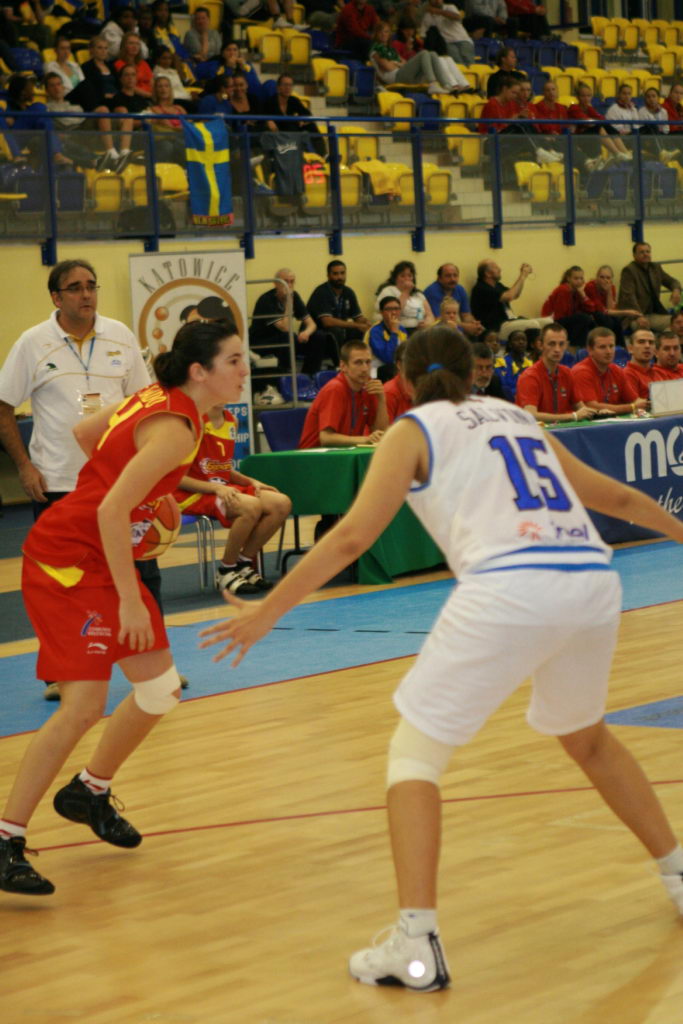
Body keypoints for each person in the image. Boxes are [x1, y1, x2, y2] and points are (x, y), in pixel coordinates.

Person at [201, 324, 683, 991]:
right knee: (588, 739)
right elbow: (619, 498)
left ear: (402, 379)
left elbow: (350, 538)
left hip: (511, 585)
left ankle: (415, 942)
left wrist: (267, 610)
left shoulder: (412, 429)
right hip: (591, 582)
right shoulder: (515, 418)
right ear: (474, 371)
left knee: (414, 757)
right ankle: (678, 873)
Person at [0, 319, 247, 897]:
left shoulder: (159, 400)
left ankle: (88, 790)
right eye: (234, 361)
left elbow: (88, 433)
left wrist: (144, 491)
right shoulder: (177, 429)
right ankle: (6, 837)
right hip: (68, 560)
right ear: (200, 371)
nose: (244, 371)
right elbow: (111, 510)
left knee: (159, 690)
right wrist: (132, 599)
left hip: (99, 554)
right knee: (82, 707)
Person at [0, 259, 155, 700]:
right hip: (58, 481)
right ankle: (59, 672)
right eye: (74, 287)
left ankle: (150, 666)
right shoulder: (33, 342)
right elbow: (3, 406)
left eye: (91, 285)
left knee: (140, 573)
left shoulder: (120, 335)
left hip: (117, 481)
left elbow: (143, 404)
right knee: (61, 583)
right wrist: (25, 466)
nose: (86, 294)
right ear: (56, 297)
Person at [174, 402, 290, 594]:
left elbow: (222, 468)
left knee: (281, 503)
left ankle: (243, 563)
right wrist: (216, 488)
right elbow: (176, 477)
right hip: (191, 493)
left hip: (219, 488)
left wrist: (252, 481)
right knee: (250, 506)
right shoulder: (192, 422)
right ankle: (226, 569)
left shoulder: (231, 420)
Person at [298, 340, 389, 448]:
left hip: (345, 451)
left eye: (368, 362)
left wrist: (381, 400)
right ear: (343, 366)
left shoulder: (368, 387)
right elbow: (326, 438)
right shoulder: (335, 389)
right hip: (314, 455)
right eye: (358, 362)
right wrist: (365, 439)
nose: (365, 369)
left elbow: (380, 433)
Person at [250, 269, 319, 392]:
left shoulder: (294, 296)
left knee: (319, 337)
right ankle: (286, 380)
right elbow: (285, 327)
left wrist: (306, 333)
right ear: (276, 283)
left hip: (281, 339)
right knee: (289, 337)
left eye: (292, 282)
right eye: (286, 282)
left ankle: (309, 377)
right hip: (260, 342)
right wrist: (288, 303)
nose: (289, 285)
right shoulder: (266, 300)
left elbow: (312, 324)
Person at [516, 322, 595, 423]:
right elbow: (531, 415)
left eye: (561, 344)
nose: (557, 349)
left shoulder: (567, 373)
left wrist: (598, 413)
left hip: (562, 430)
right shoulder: (530, 376)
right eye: (552, 344)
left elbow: (581, 408)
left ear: (566, 345)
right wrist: (573, 416)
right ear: (540, 345)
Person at [369, 20, 464, 94]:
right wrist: (398, 63)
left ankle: (447, 84)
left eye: (386, 32)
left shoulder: (391, 49)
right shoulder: (376, 50)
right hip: (395, 78)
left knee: (432, 54)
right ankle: (432, 84)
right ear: (376, 33)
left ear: (389, 34)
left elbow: (404, 62)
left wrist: (395, 63)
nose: (383, 34)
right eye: (380, 32)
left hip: (403, 74)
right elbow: (388, 67)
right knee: (424, 53)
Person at [571, 327, 647, 415]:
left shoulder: (616, 370)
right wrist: (632, 407)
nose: (609, 351)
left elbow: (635, 400)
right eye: (602, 347)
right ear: (590, 350)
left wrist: (646, 403)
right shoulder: (581, 372)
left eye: (611, 346)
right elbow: (591, 406)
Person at [306, 260, 372, 358]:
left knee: (359, 330)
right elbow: (327, 322)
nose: (339, 277)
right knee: (336, 330)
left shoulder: (348, 292)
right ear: (328, 275)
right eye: (335, 274)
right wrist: (357, 325)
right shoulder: (321, 292)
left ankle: (356, 359)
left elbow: (357, 317)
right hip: (318, 333)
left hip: (339, 331)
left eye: (342, 273)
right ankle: (339, 363)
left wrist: (366, 322)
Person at [541, 265, 617, 349]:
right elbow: (560, 316)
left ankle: (600, 345)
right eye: (576, 278)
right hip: (554, 322)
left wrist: (583, 294)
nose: (579, 281)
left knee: (591, 320)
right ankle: (576, 346)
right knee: (583, 318)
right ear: (568, 279)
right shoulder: (563, 290)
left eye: (581, 278)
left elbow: (591, 309)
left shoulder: (578, 290)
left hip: (566, 320)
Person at [470, 259, 550, 338]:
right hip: (497, 327)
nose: (500, 269)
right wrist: (523, 275)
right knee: (533, 324)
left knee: (548, 322)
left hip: (510, 321)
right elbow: (510, 296)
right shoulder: (481, 288)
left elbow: (515, 294)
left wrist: (523, 276)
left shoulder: (498, 285)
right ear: (487, 273)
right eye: (495, 267)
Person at [618, 242, 682, 335]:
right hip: (634, 316)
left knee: (678, 322)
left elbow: (672, 281)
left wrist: (676, 290)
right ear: (634, 255)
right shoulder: (629, 271)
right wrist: (639, 316)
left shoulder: (655, 268)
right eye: (642, 252)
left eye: (648, 251)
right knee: (643, 325)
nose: (645, 254)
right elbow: (629, 297)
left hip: (655, 314)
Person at [567, 83, 633, 172]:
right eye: (583, 96)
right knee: (599, 128)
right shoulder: (574, 108)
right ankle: (617, 153)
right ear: (578, 97)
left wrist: (591, 110)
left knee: (606, 125)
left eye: (588, 96)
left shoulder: (589, 108)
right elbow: (587, 122)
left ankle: (625, 152)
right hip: (578, 138)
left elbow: (602, 119)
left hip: (589, 136)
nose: (586, 98)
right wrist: (593, 119)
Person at [585, 265, 642, 345]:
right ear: (597, 278)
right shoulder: (590, 287)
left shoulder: (611, 288)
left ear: (611, 279)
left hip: (604, 314)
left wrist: (609, 291)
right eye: (602, 277)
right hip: (591, 313)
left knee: (615, 320)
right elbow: (604, 311)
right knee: (606, 319)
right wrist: (627, 312)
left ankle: (621, 347)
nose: (605, 280)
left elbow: (610, 309)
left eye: (608, 278)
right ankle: (611, 343)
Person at [423, 263, 483, 336]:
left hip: (457, 328)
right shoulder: (432, 292)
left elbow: (466, 315)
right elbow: (440, 320)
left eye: (455, 275)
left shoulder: (460, 289)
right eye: (448, 276)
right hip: (438, 332)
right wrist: (466, 327)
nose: (453, 279)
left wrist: (473, 324)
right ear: (439, 278)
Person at [375, 261, 435, 334]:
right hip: (400, 328)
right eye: (402, 276)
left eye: (410, 276)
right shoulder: (389, 291)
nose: (407, 279)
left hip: (420, 330)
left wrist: (427, 323)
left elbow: (429, 314)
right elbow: (395, 312)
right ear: (395, 278)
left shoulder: (418, 294)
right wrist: (406, 292)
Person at [420, 0, 475, 66]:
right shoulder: (428, 16)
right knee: (457, 63)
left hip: (463, 39)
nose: (437, 1)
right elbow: (423, 32)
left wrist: (438, 11)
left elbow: (457, 17)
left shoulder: (450, 7)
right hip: (448, 42)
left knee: (469, 62)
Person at [367, 295, 408, 380]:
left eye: (396, 309)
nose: (394, 312)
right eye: (389, 309)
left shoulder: (402, 329)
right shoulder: (375, 331)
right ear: (381, 312)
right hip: (376, 369)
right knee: (392, 368)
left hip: (396, 366)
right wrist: (394, 332)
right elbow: (388, 358)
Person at [496, 328, 532, 401]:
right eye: (517, 339)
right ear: (510, 344)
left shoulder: (531, 364)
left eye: (524, 340)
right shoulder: (501, 362)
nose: (521, 342)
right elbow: (503, 387)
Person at [624, 328, 658, 400]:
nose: (647, 346)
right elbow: (636, 404)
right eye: (641, 342)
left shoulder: (658, 372)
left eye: (651, 342)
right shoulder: (627, 374)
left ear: (655, 350)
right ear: (630, 349)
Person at [383, 341, 413, 421]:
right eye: (410, 361)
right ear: (399, 365)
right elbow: (385, 428)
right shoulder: (389, 392)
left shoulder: (424, 389)